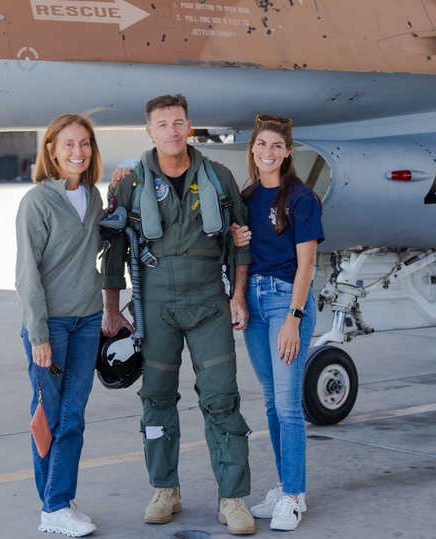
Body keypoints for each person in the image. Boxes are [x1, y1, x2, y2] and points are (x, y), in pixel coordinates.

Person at [101, 94, 257, 535]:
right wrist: (113, 311)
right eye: (162, 123)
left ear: (189, 126)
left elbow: (240, 245)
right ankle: (164, 489)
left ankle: (233, 498)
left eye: (178, 122)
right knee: (155, 401)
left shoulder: (219, 177)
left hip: (209, 301)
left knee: (222, 400)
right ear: (149, 132)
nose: (171, 130)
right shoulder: (128, 185)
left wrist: (238, 296)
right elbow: (113, 254)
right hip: (155, 305)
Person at [230, 114, 324, 531]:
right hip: (254, 301)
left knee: (288, 406)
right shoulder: (248, 196)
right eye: (261, 145)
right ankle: (284, 485)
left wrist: (294, 318)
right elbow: (244, 255)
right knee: (270, 401)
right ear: (252, 150)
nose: (267, 152)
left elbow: (307, 265)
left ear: (287, 152)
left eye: (276, 146)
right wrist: (239, 296)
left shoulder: (301, 199)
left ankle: (294, 496)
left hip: (288, 299)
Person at [15, 114, 106, 538]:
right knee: (49, 417)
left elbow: (104, 248)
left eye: (85, 144)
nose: (78, 152)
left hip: (87, 322)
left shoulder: (95, 198)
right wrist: (37, 335)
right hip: (49, 326)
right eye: (68, 144)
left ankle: (60, 503)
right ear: (51, 150)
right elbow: (26, 273)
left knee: (74, 417)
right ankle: (52, 507)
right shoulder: (37, 201)